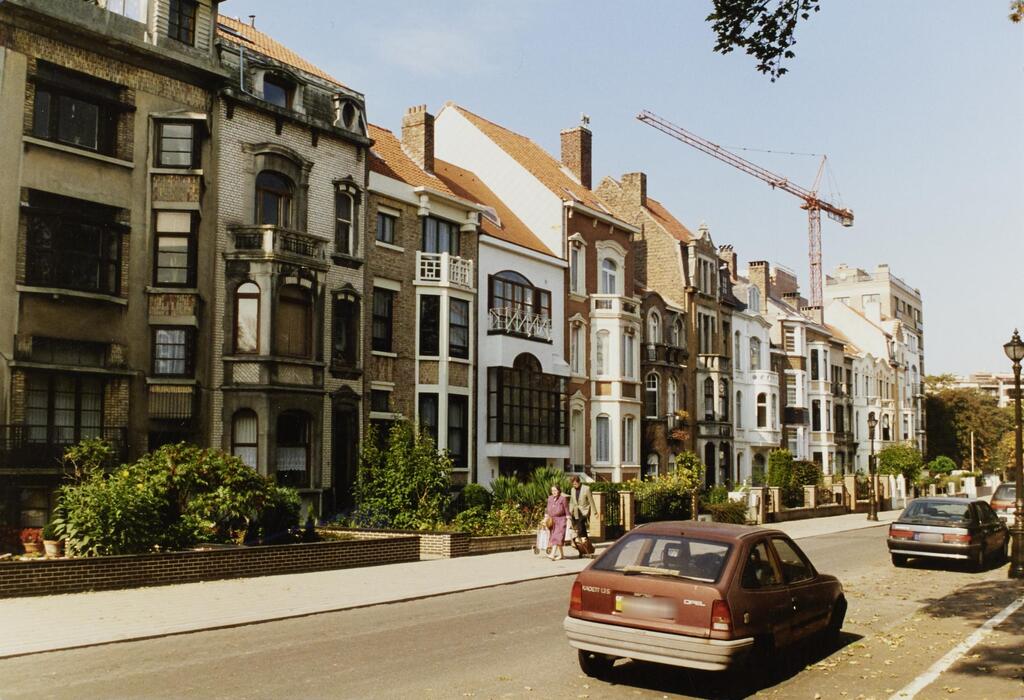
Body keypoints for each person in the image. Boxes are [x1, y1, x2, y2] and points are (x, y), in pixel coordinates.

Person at [569, 476, 596, 557]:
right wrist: (570, 511)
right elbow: (571, 501)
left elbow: (591, 500)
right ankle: (585, 549)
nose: (574, 485)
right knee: (582, 530)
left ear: (579, 482)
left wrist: (595, 512)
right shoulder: (572, 490)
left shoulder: (586, 488)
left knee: (580, 527)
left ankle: (579, 543)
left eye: (575, 484)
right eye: (573, 484)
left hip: (584, 511)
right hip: (576, 512)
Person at [545, 484, 570, 560]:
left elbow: (566, 509)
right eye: (552, 490)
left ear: (559, 491)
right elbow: (547, 509)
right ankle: (562, 555)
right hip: (552, 520)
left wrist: (568, 519)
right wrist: (545, 517)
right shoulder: (550, 498)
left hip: (561, 520)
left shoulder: (563, 499)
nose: (554, 492)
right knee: (556, 537)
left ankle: (552, 554)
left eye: (555, 490)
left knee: (557, 537)